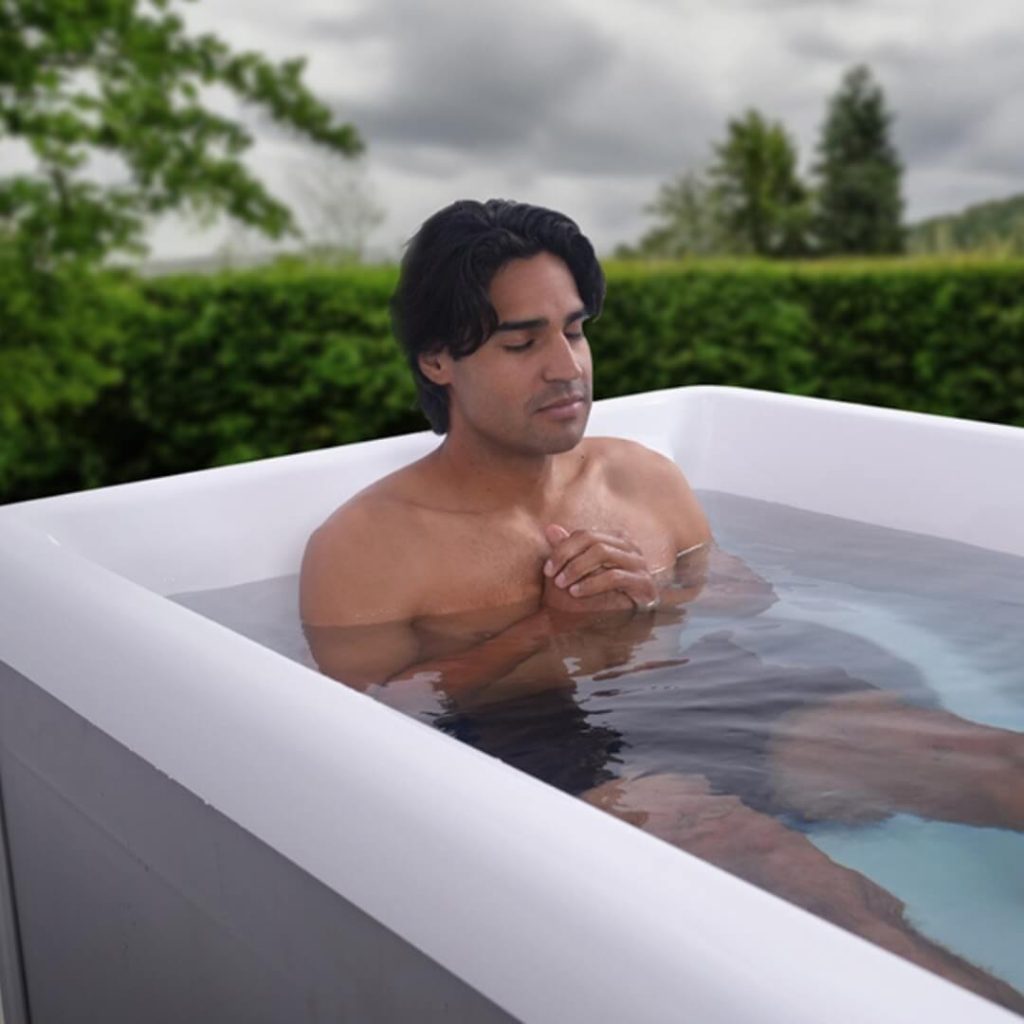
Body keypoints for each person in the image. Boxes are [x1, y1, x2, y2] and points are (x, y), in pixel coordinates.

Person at [300, 199, 1024, 1012]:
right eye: (522, 341)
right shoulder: (367, 546)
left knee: (1002, 765)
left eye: (573, 330)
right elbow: (369, 721)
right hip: (535, 743)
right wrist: (549, 632)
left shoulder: (639, 479)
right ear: (438, 360)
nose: (566, 366)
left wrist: (659, 598)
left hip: (701, 689)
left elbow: (748, 599)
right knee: (828, 907)